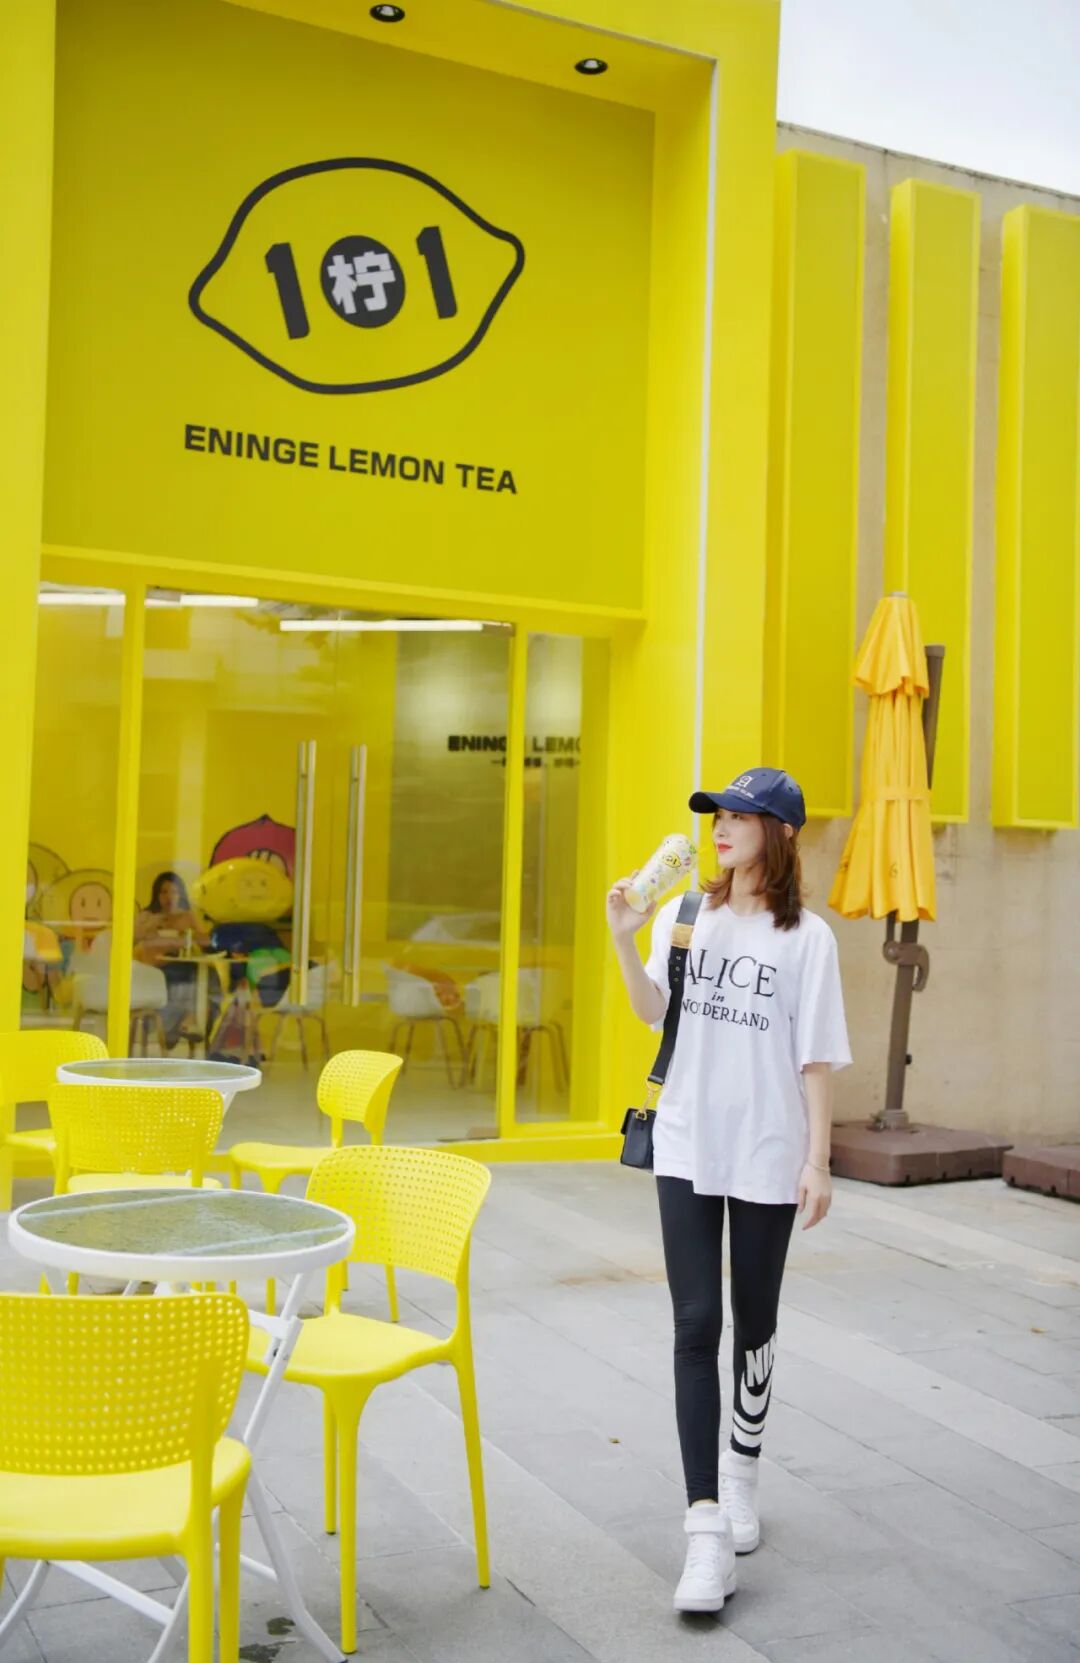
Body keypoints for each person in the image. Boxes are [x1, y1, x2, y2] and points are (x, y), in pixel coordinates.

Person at [606, 767, 851, 1617]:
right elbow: (651, 1010)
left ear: (776, 833)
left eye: (739, 815)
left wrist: (818, 1160)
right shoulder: (684, 914)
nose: (719, 826)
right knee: (693, 1324)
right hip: (684, 1141)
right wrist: (621, 935)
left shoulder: (808, 939)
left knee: (755, 1319)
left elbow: (814, 1058)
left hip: (767, 1150)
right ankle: (704, 1524)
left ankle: (742, 1470)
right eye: (716, 814)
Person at [134, 871, 211, 1047]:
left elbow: (206, 940)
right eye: (164, 892)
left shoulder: (187, 916)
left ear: (181, 894)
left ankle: (188, 1021)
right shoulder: (147, 915)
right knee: (189, 976)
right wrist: (152, 925)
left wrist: (190, 935)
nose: (169, 897)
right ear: (156, 894)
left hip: (179, 964)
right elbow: (133, 938)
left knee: (207, 976)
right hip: (153, 971)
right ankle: (179, 1024)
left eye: (174, 892)